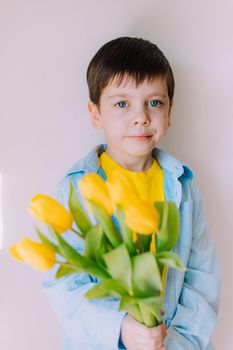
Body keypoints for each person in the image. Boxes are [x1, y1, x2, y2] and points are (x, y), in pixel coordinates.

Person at [42, 36, 221, 350]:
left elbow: (202, 275)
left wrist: (179, 342)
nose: (141, 116)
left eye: (154, 102)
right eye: (122, 103)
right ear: (95, 113)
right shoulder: (76, 189)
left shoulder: (183, 184)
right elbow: (65, 284)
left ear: (169, 112)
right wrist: (121, 330)